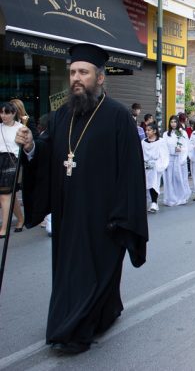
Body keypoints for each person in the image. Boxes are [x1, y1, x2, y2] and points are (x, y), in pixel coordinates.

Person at [15, 43, 148, 354]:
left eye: (83, 72)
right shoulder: (62, 116)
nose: (76, 78)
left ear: (99, 78)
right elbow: (46, 154)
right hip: (67, 213)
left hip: (104, 217)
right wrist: (31, 145)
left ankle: (74, 331)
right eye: (73, 72)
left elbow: (131, 171)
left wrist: (123, 216)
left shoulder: (118, 117)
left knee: (98, 274)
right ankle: (80, 320)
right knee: (71, 273)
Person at [0, 102, 25, 237]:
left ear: (14, 113)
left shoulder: (21, 127)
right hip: (0, 160)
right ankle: (20, 219)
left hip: (12, 162)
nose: (3, 116)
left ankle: (4, 228)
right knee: (10, 196)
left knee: (4, 195)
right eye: (1, 112)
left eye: (7, 113)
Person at [162, 115, 191, 206]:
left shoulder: (182, 133)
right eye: (171, 122)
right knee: (170, 179)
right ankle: (171, 198)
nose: (173, 124)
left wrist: (181, 151)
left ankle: (182, 196)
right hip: (170, 159)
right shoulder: (166, 134)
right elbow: (164, 147)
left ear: (178, 122)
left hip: (179, 159)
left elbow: (186, 147)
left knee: (180, 178)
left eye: (175, 122)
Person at [141, 123, 169, 213]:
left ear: (155, 131)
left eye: (149, 130)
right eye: (146, 130)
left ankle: (154, 202)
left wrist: (159, 165)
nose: (147, 132)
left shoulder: (160, 141)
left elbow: (164, 154)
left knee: (154, 183)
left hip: (155, 165)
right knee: (145, 184)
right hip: (146, 166)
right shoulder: (143, 142)